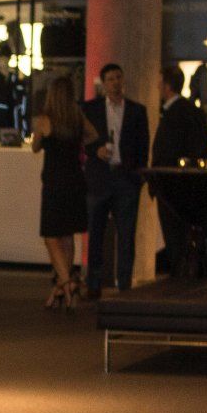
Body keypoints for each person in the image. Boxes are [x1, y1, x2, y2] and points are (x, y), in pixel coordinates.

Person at [80, 62, 148, 299]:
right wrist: (95, 150)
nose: (115, 82)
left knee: (126, 234)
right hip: (100, 176)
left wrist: (138, 176)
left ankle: (124, 283)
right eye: (110, 79)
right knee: (96, 232)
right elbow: (84, 139)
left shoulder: (137, 111)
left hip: (125, 177)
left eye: (118, 77)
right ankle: (94, 282)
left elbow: (143, 146)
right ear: (103, 83)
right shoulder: (91, 109)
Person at [31, 76, 92, 311]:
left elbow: (35, 147)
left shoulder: (46, 121)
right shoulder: (77, 117)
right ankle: (61, 287)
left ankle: (66, 282)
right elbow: (93, 135)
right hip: (76, 181)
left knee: (50, 236)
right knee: (67, 236)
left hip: (55, 183)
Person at [151, 64, 207, 275]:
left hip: (171, 185)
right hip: (192, 185)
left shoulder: (173, 115)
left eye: (160, 83)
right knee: (190, 233)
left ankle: (180, 275)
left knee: (174, 235)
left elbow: (165, 152)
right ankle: (191, 272)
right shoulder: (194, 112)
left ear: (167, 86)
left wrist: (157, 179)